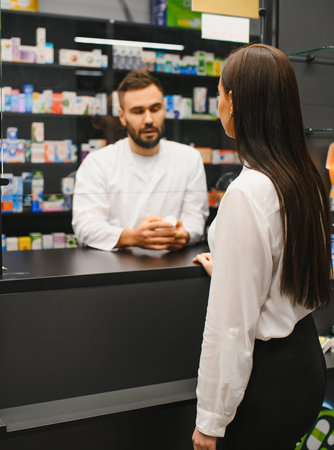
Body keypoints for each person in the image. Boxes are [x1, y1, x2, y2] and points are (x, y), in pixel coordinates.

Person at [192, 43, 332, 450]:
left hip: (264, 381)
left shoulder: (247, 192)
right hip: (304, 363)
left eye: (219, 94)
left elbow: (231, 326)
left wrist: (210, 421)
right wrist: (232, 272)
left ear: (234, 102)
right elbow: (288, 267)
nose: (218, 104)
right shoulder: (303, 177)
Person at [72, 70, 209, 251]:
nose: (148, 119)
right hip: (116, 270)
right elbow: (85, 226)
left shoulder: (189, 158)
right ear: (122, 117)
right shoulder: (97, 163)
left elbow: (195, 220)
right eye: (138, 111)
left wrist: (185, 234)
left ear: (164, 109)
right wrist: (132, 237)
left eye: (155, 109)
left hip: (174, 268)